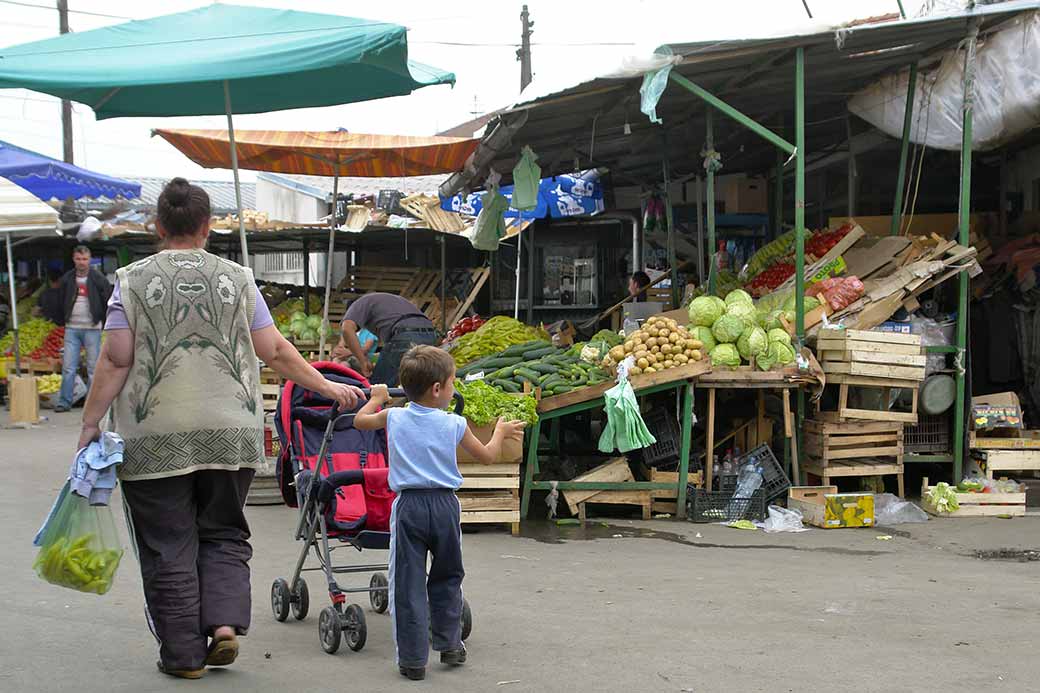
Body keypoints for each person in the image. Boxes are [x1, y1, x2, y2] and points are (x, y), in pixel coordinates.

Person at [76, 177, 364, 680]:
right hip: (231, 433)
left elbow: (115, 357)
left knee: (169, 543)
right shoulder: (238, 278)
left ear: (158, 225)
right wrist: (328, 387)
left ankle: (185, 657)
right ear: (209, 227)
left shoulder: (132, 280)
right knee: (225, 533)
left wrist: (89, 422)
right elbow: (273, 350)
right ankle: (225, 626)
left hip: (153, 436)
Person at [354, 345, 524, 681]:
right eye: (452, 384)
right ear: (437, 389)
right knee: (448, 576)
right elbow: (488, 456)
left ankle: (414, 660)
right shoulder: (455, 424)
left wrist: (377, 396)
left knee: (407, 583)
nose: (453, 390)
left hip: (409, 507)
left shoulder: (395, 416)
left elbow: (360, 421)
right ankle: (450, 644)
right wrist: (501, 433)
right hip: (445, 507)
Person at [54, 246, 111, 412]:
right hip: (72, 328)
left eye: (85, 259)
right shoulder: (67, 279)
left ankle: (92, 404)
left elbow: (107, 299)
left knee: (94, 368)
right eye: (79, 259)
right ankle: (65, 402)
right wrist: (63, 320)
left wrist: (102, 321)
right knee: (68, 367)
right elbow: (60, 300)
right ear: (74, 259)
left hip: (92, 328)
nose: (82, 262)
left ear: (90, 259)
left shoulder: (98, 278)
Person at [339, 292, 437, 386]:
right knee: (415, 383)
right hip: (429, 334)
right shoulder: (385, 302)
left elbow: (347, 329)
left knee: (379, 387)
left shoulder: (358, 304)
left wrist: (363, 361)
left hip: (405, 334)